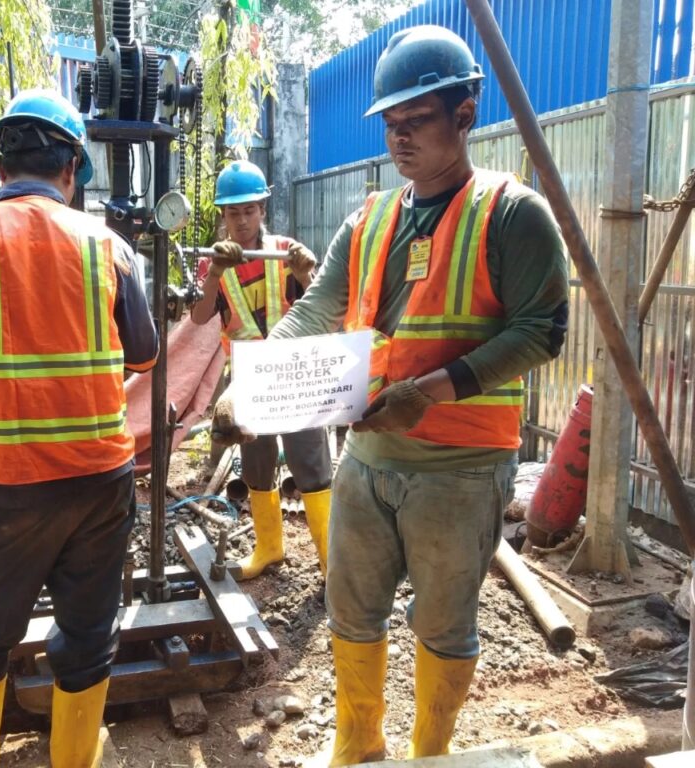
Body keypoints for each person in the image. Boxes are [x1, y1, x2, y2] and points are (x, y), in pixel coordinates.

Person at [212, 26, 569, 764]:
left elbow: (542, 331)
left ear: (465, 114)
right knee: (353, 609)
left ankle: (429, 752)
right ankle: (357, 747)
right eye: (391, 125)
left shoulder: (512, 214)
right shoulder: (369, 219)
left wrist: (432, 391)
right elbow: (315, 310)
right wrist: (250, 382)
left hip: (459, 469)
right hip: (368, 458)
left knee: (442, 625)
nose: (399, 139)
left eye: (417, 122)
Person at [0, 89, 158, 768]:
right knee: (87, 635)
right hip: (101, 484)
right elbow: (145, 355)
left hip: (3, 488)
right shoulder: (110, 248)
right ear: (72, 167)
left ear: (3, 162)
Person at [190, 159, 333, 579]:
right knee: (256, 463)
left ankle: (330, 562)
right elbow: (200, 318)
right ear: (223, 215)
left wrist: (308, 274)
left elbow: (325, 308)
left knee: (312, 464)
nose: (241, 220)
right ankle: (270, 548)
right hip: (249, 381)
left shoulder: (286, 252)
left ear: (263, 210)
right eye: (233, 212)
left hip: (293, 374)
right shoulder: (211, 263)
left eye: (249, 210)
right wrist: (215, 272)